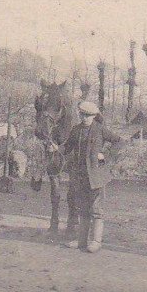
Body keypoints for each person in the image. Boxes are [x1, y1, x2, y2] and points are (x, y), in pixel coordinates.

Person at [59, 101, 121, 253]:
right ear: (79, 114)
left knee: (96, 208)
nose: (85, 118)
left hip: (96, 175)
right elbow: (67, 148)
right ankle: (81, 241)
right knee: (83, 208)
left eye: (88, 115)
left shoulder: (100, 130)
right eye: (83, 115)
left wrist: (105, 155)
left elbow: (119, 142)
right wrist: (56, 147)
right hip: (79, 175)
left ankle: (96, 241)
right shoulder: (76, 130)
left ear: (94, 116)